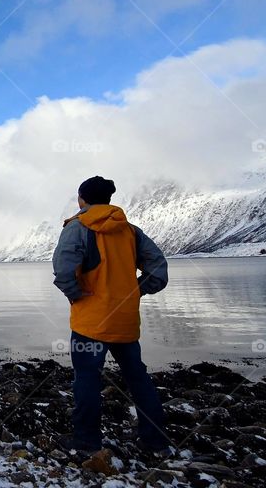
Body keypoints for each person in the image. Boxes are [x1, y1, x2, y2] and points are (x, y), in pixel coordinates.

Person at [52, 175, 170, 455]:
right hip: (125, 321)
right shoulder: (129, 230)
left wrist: (76, 295)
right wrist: (138, 291)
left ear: (82, 199)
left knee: (87, 379)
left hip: (90, 323)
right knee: (138, 378)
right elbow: (158, 268)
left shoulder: (77, 227)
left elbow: (63, 269)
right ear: (108, 200)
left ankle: (87, 443)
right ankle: (155, 443)